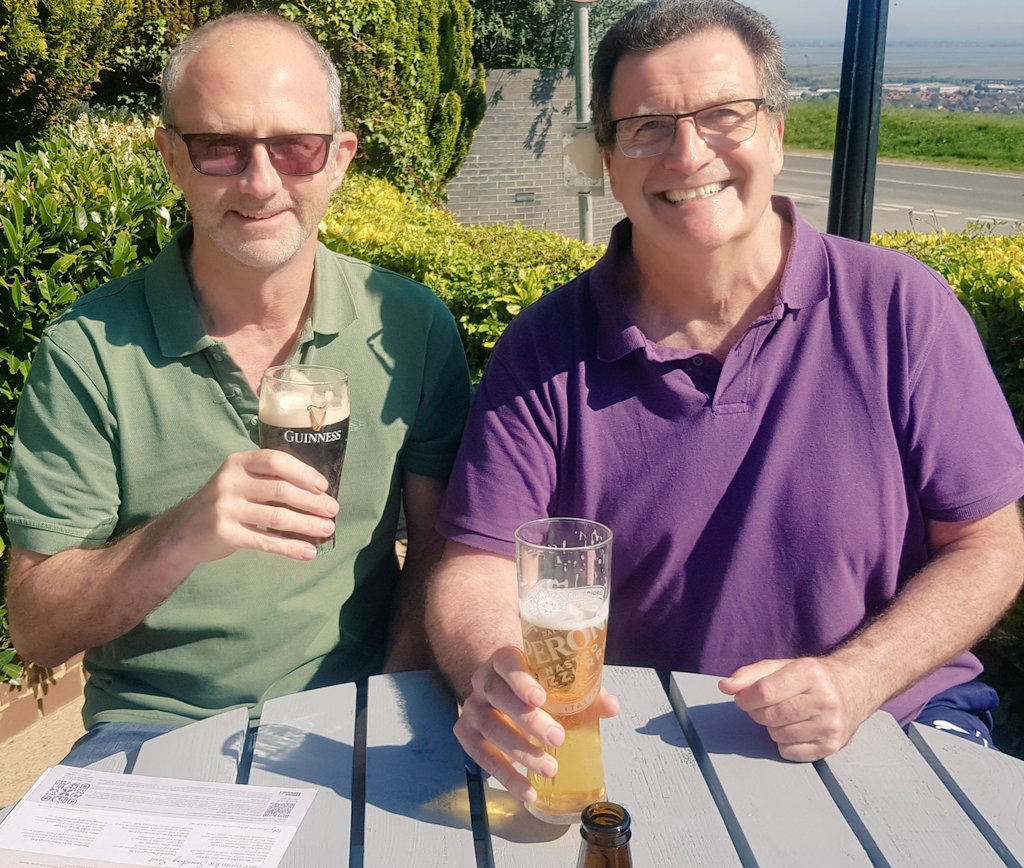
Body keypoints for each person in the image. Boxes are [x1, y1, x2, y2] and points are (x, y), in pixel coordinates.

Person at [425, 0, 1024, 807]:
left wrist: (858, 677)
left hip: (900, 718)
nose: (687, 152)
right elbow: (478, 566)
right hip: (647, 740)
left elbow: (989, 545)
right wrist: (497, 673)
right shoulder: (543, 348)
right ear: (607, 158)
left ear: (777, 133)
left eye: (723, 116)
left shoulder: (900, 309)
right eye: (645, 126)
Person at [3, 12, 470, 765]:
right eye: (219, 147)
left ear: (339, 159)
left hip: (352, 712)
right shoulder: (89, 351)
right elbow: (36, 627)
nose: (260, 183)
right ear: (171, 158)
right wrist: (182, 533)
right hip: (154, 733)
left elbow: (442, 543)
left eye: (295, 147)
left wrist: (391, 699)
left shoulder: (410, 328)